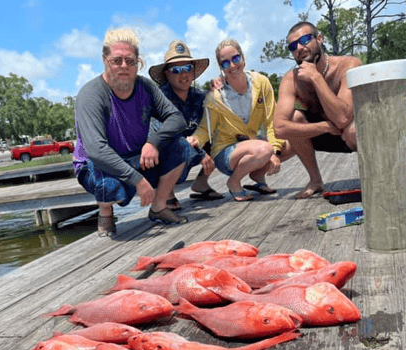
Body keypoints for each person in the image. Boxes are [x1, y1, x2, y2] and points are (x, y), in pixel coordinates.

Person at [73, 28, 189, 236]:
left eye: (130, 61)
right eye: (117, 61)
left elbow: (177, 118)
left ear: (138, 62)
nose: (124, 66)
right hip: (97, 165)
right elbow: (96, 150)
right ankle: (105, 211)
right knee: (110, 188)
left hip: (135, 157)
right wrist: (138, 180)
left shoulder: (145, 86)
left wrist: (153, 142)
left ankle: (159, 207)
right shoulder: (90, 94)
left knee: (181, 147)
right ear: (105, 60)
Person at [188, 39, 291, 202]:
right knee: (264, 149)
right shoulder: (215, 96)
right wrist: (194, 139)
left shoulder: (262, 83)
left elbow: (272, 121)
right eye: (225, 63)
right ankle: (234, 182)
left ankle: (258, 175)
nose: (233, 66)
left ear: (243, 58)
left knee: (293, 140)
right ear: (221, 67)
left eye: (236, 58)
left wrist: (275, 151)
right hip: (225, 153)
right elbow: (205, 129)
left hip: (251, 144)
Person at [274, 21, 362, 199]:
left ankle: (374, 174)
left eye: (305, 39)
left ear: (320, 39)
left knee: (352, 129)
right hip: (325, 133)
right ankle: (315, 180)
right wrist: (324, 127)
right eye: (293, 46)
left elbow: (343, 118)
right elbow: (279, 128)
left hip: (353, 134)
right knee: (295, 118)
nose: (299, 47)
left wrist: (315, 76)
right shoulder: (291, 79)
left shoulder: (349, 65)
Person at [148, 40, 223, 210]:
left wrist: (219, 86)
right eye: (176, 70)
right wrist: (200, 153)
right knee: (175, 146)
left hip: (192, 148)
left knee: (221, 129)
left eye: (187, 68)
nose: (183, 75)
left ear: (193, 70)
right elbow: (162, 136)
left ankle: (201, 184)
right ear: (167, 74)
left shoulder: (199, 96)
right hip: (167, 154)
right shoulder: (158, 99)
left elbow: (219, 110)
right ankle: (167, 193)